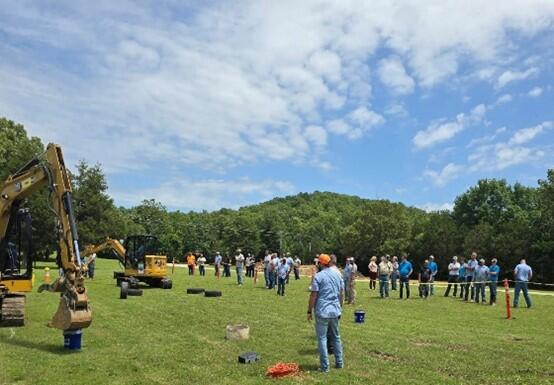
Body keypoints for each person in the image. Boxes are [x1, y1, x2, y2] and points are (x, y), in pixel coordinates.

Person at [307, 254, 344, 373]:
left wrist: (309, 311)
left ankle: (325, 367)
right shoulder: (338, 274)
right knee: (336, 337)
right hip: (335, 310)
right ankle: (339, 363)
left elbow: (313, 295)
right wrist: (340, 308)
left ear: (321, 264)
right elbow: (341, 293)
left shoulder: (319, 276)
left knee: (322, 339)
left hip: (322, 311)